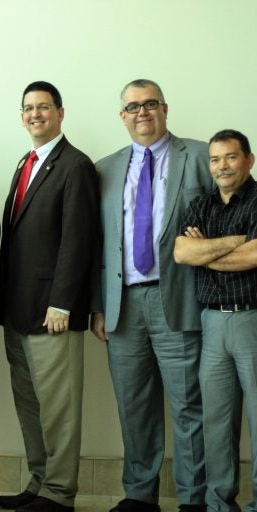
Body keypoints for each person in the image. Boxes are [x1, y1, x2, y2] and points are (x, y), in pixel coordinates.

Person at [90, 79, 209, 512]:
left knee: (188, 404)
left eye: (150, 104)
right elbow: (97, 245)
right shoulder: (104, 168)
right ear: (122, 116)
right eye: (132, 106)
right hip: (122, 305)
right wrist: (98, 306)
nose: (142, 112)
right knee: (134, 407)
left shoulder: (198, 156)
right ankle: (140, 495)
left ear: (165, 108)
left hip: (179, 299)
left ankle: (194, 498)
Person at [0, 81, 98, 512]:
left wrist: (63, 302)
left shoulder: (75, 165)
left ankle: (60, 492)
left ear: (59, 112)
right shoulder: (26, 162)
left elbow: (78, 239)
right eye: (28, 108)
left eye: (43, 107)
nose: (35, 114)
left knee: (59, 409)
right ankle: (39, 481)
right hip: (18, 311)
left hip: (51, 312)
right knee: (31, 406)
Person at [174, 129, 257, 512]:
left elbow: (254, 257)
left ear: (249, 160)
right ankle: (220, 504)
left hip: (251, 320)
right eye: (215, 159)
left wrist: (205, 249)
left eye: (230, 157)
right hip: (212, 324)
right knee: (216, 422)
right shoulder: (201, 205)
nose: (222, 166)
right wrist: (238, 241)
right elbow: (181, 253)